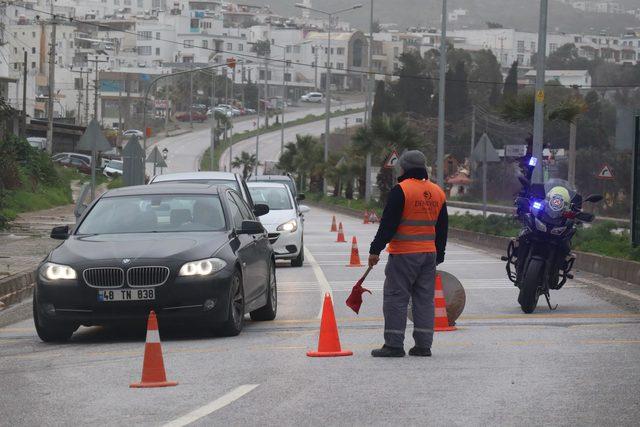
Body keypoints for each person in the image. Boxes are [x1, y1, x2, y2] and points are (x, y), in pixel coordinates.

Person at [368, 150, 448, 357]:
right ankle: (423, 346)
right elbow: (442, 228)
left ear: (403, 167)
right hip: (428, 255)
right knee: (424, 300)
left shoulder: (401, 190)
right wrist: (439, 254)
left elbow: (388, 224)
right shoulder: (438, 192)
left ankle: (394, 345)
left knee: (396, 298)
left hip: (404, 255)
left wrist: (375, 249)